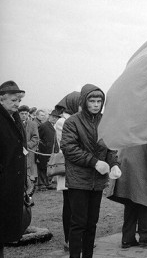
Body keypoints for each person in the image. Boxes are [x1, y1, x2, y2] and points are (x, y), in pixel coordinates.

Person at [61, 84, 120, 258]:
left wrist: (114, 163)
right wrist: (94, 162)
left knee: (92, 222)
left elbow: (110, 147)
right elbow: (69, 148)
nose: (96, 104)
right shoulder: (73, 121)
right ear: (84, 102)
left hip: (97, 181)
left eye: (99, 101)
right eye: (92, 101)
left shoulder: (105, 121)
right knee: (78, 223)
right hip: (79, 180)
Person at [108, 141, 147, 248]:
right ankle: (145, 237)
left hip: (126, 163)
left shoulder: (132, 123)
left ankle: (127, 238)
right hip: (142, 166)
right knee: (146, 201)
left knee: (131, 202)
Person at [0, 81, 27, 256]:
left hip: (11, 182)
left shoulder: (14, 118)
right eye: (13, 100)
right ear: (1, 99)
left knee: (4, 230)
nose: (17, 104)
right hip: (3, 181)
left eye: (18, 100)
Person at [54, 91, 81, 252]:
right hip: (69, 166)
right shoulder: (62, 122)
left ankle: (78, 239)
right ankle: (69, 240)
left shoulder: (75, 119)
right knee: (70, 206)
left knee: (79, 206)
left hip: (79, 168)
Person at [37, 109, 61, 190]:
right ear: (49, 116)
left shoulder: (56, 126)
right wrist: (43, 146)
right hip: (44, 151)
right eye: (53, 116)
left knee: (51, 167)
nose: (54, 118)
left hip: (53, 151)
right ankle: (41, 184)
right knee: (42, 167)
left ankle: (48, 183)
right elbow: (38, 139)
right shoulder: (43, 126)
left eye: (56, 117)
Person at [19, 105, 39, 187]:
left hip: (29, 151)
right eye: (22, 113)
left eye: (25, 113)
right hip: (18, 151)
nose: (24, 115)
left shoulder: (33, 124)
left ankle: (30, 186)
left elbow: (36, 137)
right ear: (18, 114)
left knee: (30, 169)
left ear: (28, 114)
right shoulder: (14, 123)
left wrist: (27, 145)